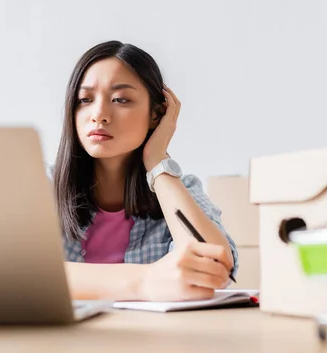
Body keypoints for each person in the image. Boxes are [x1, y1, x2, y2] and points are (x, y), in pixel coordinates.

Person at [50, 40, 239, 302]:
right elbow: (11, 272)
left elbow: (215, 269)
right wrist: (145, 281)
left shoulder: (177, 189)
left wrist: (157, 160)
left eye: (120, 99)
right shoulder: (40, 188)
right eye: (85, 99)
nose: (99, 114)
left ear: (156, 114)